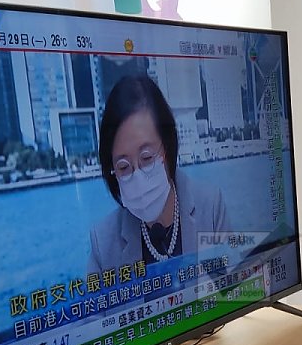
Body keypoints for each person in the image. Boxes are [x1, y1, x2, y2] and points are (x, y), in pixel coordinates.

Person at [88, 74, 229, 274]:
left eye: (146, 158)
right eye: (124, 167)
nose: (138, 178)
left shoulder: (211, 207)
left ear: (167, 147)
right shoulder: (103, 243)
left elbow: (233, 286)